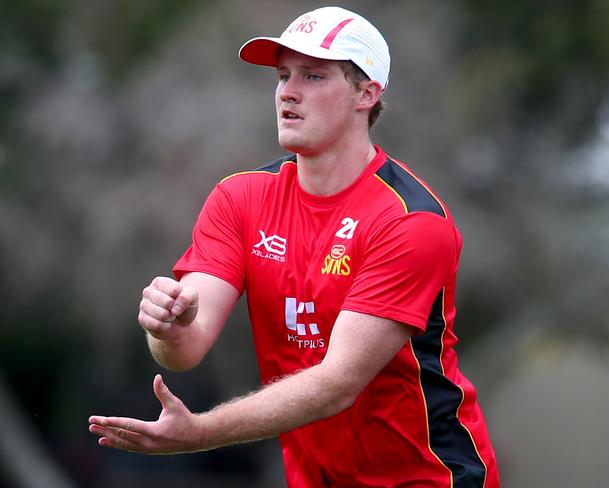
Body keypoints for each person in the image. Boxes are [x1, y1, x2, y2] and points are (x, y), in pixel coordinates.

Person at [88, 6, 499, 487]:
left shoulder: (410, 221)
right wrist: (166, 327)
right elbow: (185, 346)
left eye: (314, 76)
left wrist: (199, 432)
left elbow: (336, 384)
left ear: (367, 93)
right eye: (283, 76)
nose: (288, 91)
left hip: (428, 478)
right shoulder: (239, 198)